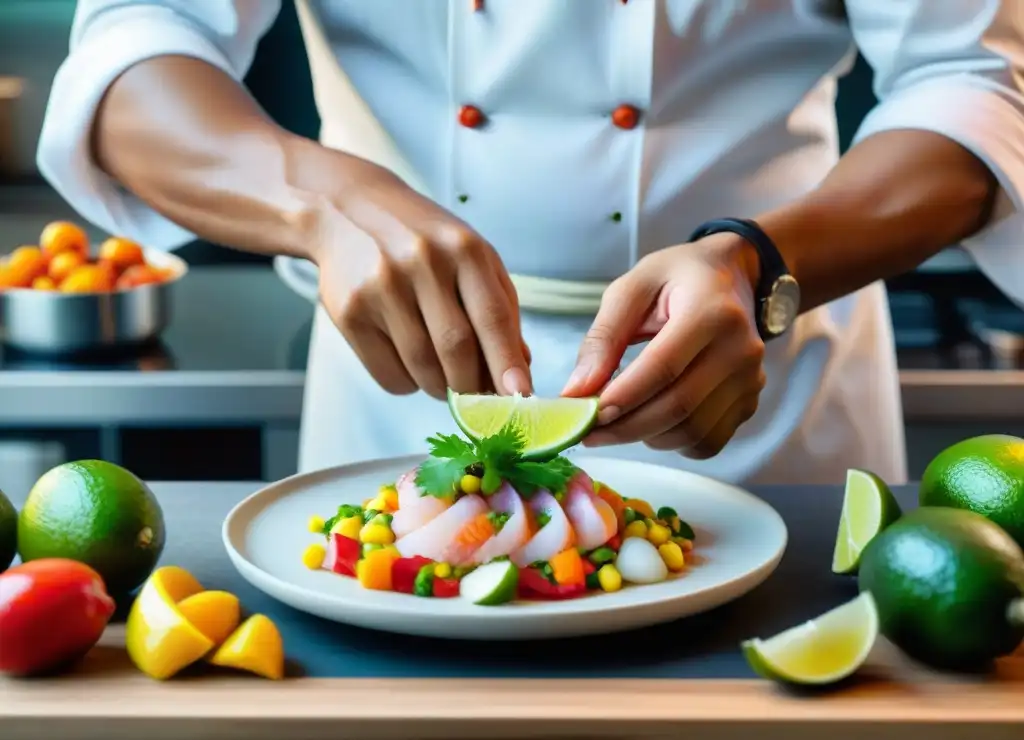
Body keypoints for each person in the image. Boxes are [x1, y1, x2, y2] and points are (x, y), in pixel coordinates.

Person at [37, 0, 1024, 485]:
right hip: (399, 399)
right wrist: (318, 202)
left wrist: (757, 261)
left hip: (762, 382)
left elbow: (975, 87)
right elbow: (135, 48)